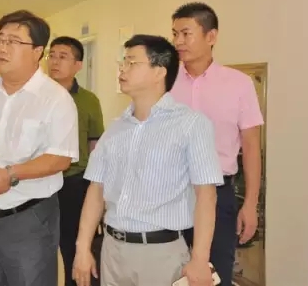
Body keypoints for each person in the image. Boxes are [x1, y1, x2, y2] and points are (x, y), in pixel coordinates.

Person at [72, 34, 223, 286]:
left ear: (159, 72)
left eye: (132, 62)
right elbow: (96, 190)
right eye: (123, 62)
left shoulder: (191, 125)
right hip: (112, 250)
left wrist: (199, 258)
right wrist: (82, 248)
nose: (122, 69)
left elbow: (206, 196)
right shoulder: (115, 128)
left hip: (161, 253)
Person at [0, 10, 79, 286]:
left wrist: (11, 173)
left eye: (13, 41)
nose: (2, 47)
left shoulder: (56, 99)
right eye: (0, 39)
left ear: (37, 52)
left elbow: (60, 158)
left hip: (29, 220)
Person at [171, 2, 264, 286]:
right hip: (169, 193)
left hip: (218, 194)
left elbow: (251, 147)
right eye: (174, 34)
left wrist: (250, 204)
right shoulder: (164, 81)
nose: (178, 41)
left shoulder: (239, 84)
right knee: (169, 274)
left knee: (215, 275)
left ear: (211, 36)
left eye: (186, 33)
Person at [47, 36, 105, 286]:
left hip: (73, 182)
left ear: (78, 65)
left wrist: (96, 188)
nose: (54, 61)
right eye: (51, 55)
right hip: (37, 181)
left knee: (74, 248)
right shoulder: (36, 95)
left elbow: (95, 145)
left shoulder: (88, 100)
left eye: (63, 56)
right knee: (39, 250)